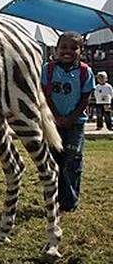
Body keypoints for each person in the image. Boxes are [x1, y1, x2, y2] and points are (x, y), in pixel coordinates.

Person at [42, 32, 95, 213]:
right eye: (63, 47)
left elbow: (86, 98)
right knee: (53, 161)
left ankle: (70, 202)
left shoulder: (84, 71)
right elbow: (45, 95)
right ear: (56, 49)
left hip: (76, 123)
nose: (68, 51)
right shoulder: (48, 69)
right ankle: (53, 199)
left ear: (81, 51)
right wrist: (55, 116)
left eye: (74, 48)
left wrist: (71, 118)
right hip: (53, 122)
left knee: (72, 161)